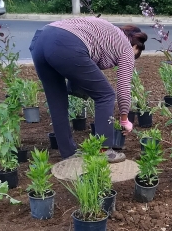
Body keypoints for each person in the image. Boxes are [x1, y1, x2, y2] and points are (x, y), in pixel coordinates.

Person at [29, 17, 148, 161]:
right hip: (65, 43)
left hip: (40, 40)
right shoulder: (127, 48)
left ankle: (68, 153)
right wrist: (124, 120)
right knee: (106, 95)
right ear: (135, 46)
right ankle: (104, 150)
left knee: (57, 103)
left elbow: (82, 63)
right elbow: (123, 89)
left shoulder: (108, 33)